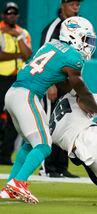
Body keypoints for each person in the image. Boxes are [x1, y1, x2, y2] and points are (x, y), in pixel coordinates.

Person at [1, 16, 97, 204]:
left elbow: (65, 85)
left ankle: (10, 186)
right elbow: (80, 89)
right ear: (73, 36)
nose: (88, 45)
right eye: (85, 39)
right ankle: (19, 183)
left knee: (29, 143)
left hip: (14, 93)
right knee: (43, 145)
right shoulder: (73, 58)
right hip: (27, 95)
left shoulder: (52, 45)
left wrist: (86, 97)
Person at [38, 0, 83, 178]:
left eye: (78, 3)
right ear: (62, 5)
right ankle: (46, 167)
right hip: (52, 82)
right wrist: (50, 84)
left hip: (68, 83)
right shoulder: (53, 28)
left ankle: (60, 166)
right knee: (49, 123)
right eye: (72, 3)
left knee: (65, 123)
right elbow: (43, 55)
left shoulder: (78, 25)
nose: (76, 6)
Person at [0, 2, 32, 165]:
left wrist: (17, 36)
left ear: (18, 16)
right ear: (3, 15)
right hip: (1, 78)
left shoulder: (23, 33)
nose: (11, 16)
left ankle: (5, 155)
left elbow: (28, 56)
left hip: (17, 80)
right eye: (8, 13)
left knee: (15, 118)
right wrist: (17, 55)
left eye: (14, 13)